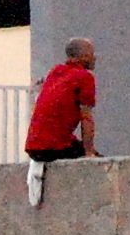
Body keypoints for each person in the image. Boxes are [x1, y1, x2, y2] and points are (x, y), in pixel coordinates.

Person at [26, 38, 99, 166]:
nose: (94, 57)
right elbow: (86, 118)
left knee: (77, 148)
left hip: (33, 146)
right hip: (52, 147)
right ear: (80, 57)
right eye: (91, 54)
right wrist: (89, 152)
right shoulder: (84, 77)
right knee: (99, 164)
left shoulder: (56, 71)